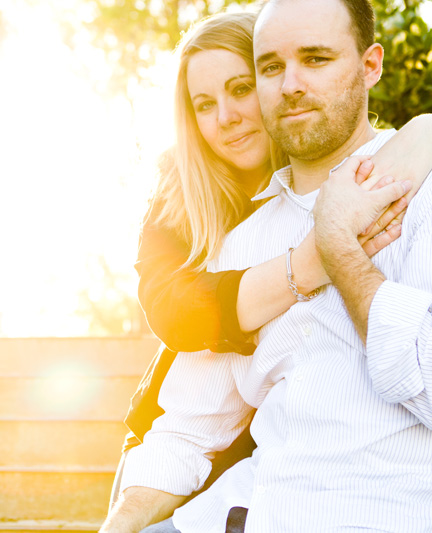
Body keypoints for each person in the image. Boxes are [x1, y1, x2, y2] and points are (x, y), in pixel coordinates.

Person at [104, 0, 432, 531]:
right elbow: (186, 411)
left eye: (317, 58)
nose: (290, 85)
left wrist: (341, 248)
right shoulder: (212, 220)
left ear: (370, 66)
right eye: (273, 67)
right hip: (248, 493)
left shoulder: (415, 188)